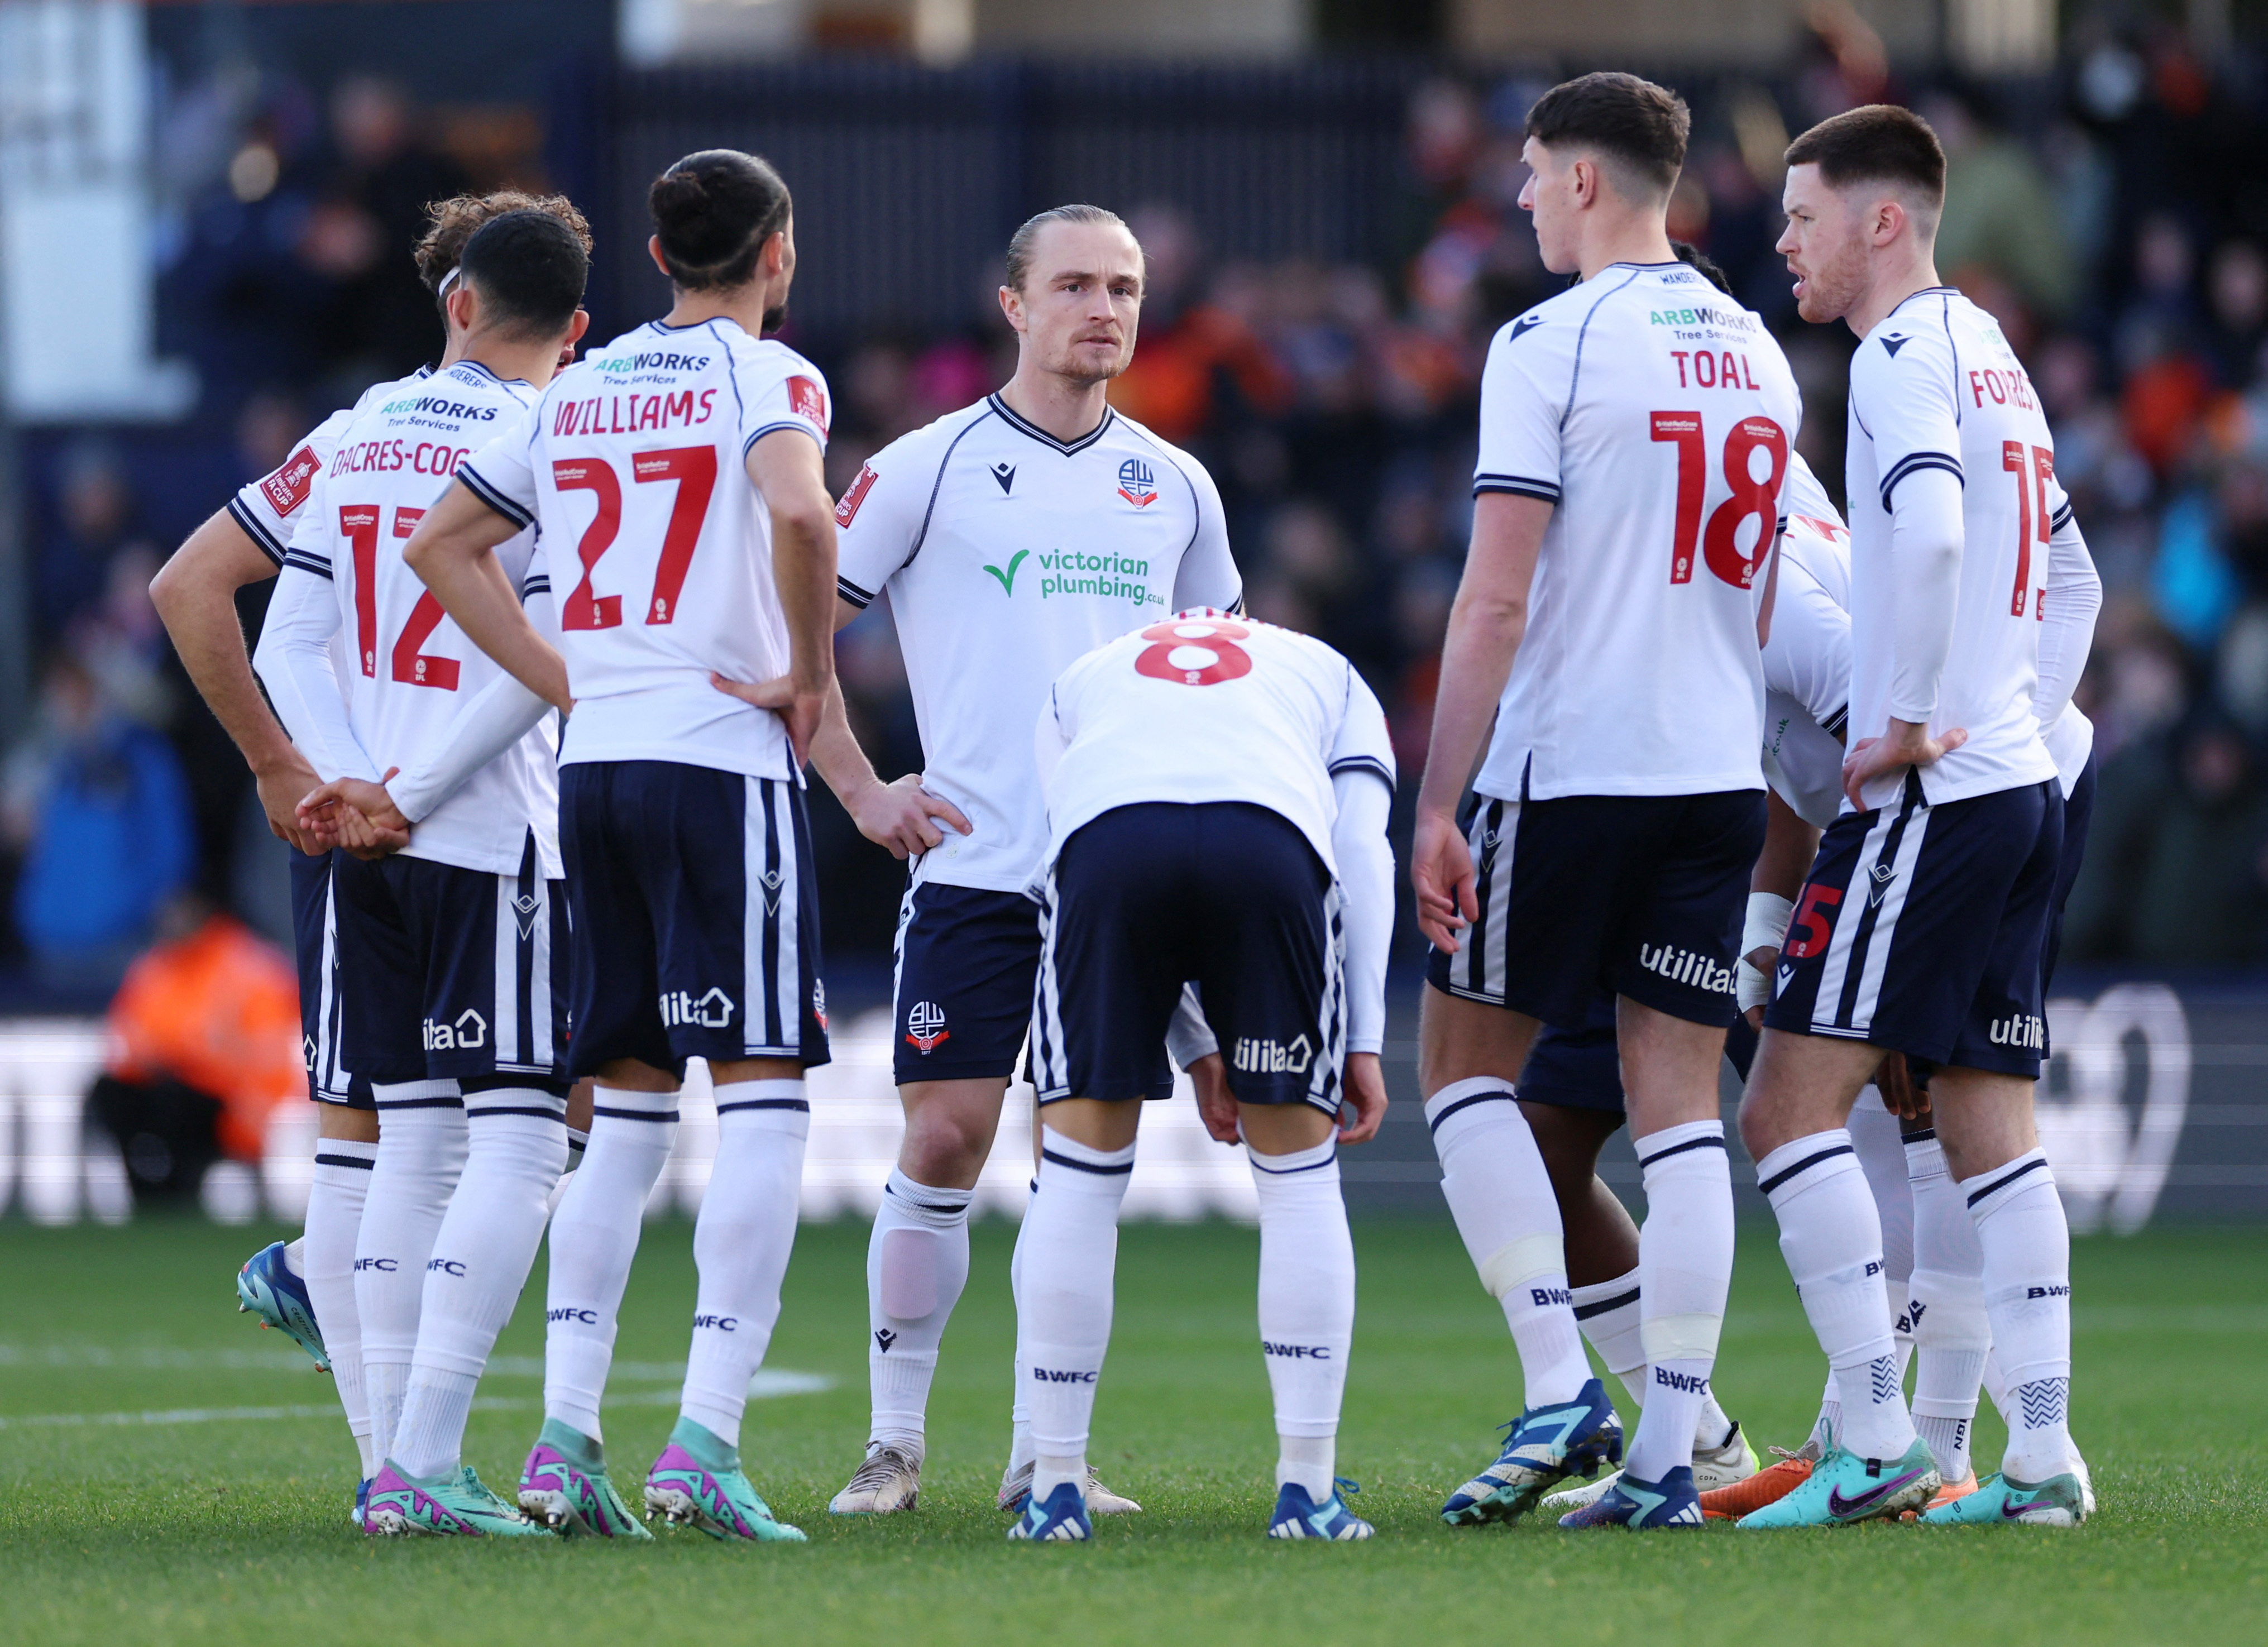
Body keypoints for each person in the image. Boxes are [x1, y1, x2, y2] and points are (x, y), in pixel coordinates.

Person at [401, 149, 834, 1544]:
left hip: (594, 773)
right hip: (720, 760)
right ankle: (705, 1434)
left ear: (653, 259)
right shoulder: (770, 378)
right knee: (765, 1098)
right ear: (777, 254)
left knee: (631, 1114)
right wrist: (810, 674)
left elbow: (443, 545)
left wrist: (571, 671)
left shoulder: (577, 387)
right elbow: (802, 511)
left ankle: (563, 1438)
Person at [150, 190, 594, 1522]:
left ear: (455, 302)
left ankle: (390, 1473)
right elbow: (541, 659)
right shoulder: (554, 438)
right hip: (494, 827)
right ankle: (428, 1457)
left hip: (351, 838)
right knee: (517, 1147)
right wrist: (416, 785)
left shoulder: (351, 432)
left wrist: (326, 780)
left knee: (391, 1146)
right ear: (573, 329)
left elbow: (265, 625)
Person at [1407, 72, 1800, 1532]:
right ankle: (1670, 1448)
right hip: (1712, 771)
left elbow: (1493, 594)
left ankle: (1557, 1382)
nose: (1517, 200)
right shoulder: (1755, 348)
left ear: (1582, 181)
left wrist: (1434, 798)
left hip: (1569, 764)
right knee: (1673, 1106)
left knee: (1457, 1073)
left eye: (1527, 175)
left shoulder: (1547, 340)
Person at [812, 202, 1243, 1518]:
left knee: (1083, 1163)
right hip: (973, 871)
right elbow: (798, 625)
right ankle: (892, 1444)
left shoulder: (1175, 485)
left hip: (1125, 881)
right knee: (945, 1134)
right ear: (1013, 304)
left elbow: (1223, 679)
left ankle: (1044, 1458)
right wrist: (859, 786)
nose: (1103, 308)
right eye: (1074, 285)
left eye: (1123, 286)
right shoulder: (925, 467)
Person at [1738, 103, 2089, 1529]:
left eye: (1803, 213)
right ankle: (2041, 1455)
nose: (1787, 241)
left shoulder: (1892, 358)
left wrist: (1905, 712)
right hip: (2021, 784)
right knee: (1986, 1121)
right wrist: (2012, 711)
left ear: (1883, 220)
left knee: (1783, 1103)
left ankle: (1875, 1437)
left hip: (1937, 790)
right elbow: (2076, 586)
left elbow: (1934, 530)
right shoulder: (1993, 353)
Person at [1007, 609, 1393, 1543]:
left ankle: (1053, 1485)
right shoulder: (1329, 667)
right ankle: (1306, 1490)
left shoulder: (1087, 674)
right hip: (1270, 845)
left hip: (1110, 846)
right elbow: (1363, 854)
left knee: (1079, 1178)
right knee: (1298, 1183)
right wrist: (1364, 1036)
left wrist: (1192, 1041)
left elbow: (1081, 847)